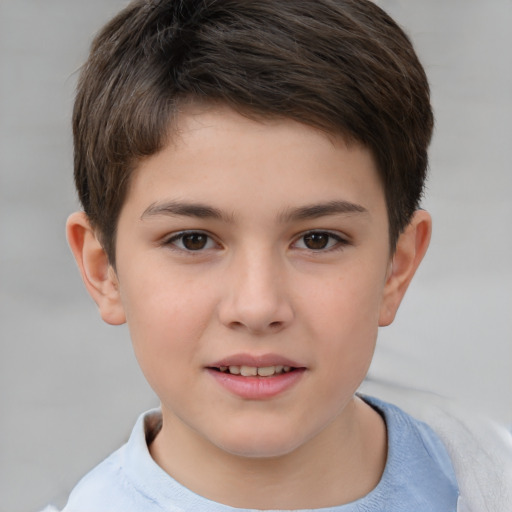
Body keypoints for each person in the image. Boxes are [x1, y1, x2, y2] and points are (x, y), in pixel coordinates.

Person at [42, 0, 512, 510]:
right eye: (193, 240)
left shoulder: (493, 474)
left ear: (396, 268)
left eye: (317, 240)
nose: (258, 307)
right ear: (103, 269)